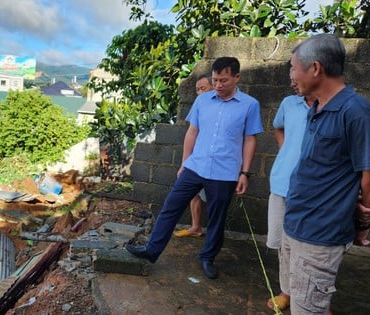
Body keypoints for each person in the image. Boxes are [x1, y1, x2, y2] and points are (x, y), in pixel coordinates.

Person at [126, 57, 264, 279]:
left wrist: (244, 173)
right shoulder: (203, 101)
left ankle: (207, 258)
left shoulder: (250, 105)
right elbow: (192, 132)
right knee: (171, 207)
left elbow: (250, 139)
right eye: (215, 80)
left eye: (224, 80)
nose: (218, 85)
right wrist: (184, 163)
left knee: (217, 219)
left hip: (225, 172)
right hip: (195, 166)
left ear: (237, 77)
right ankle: (151, 250)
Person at [281, 34, 370, 314]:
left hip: (319, 236)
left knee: (308, 309)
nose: (292, 76)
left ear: (316, 68)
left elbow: (367, 174)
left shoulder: (355, 111)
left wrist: (363, 221)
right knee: (301, 302)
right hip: (296, 222)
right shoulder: (316, 108)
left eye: (294, 68)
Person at [265, 72, 315, 312]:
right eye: (290, 75)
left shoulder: (334, 107)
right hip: (281, 184)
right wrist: (286, 151)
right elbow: (278, 127)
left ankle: (311, 298)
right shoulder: (289, 103)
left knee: (307, 248)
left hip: (311, 191)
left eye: (296, 73)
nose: (292, 80)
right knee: (282, 245)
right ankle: (287, 291)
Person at [173, 74, 213, 238]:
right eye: (197, 90)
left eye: (203, 88)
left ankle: (213, 235)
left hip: (217, 163)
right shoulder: (199, 106)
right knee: (193, 193)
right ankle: (195, 227)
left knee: (214, 197)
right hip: (197, 160)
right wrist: (185, 163)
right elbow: (192, 133)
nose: (199, 93)